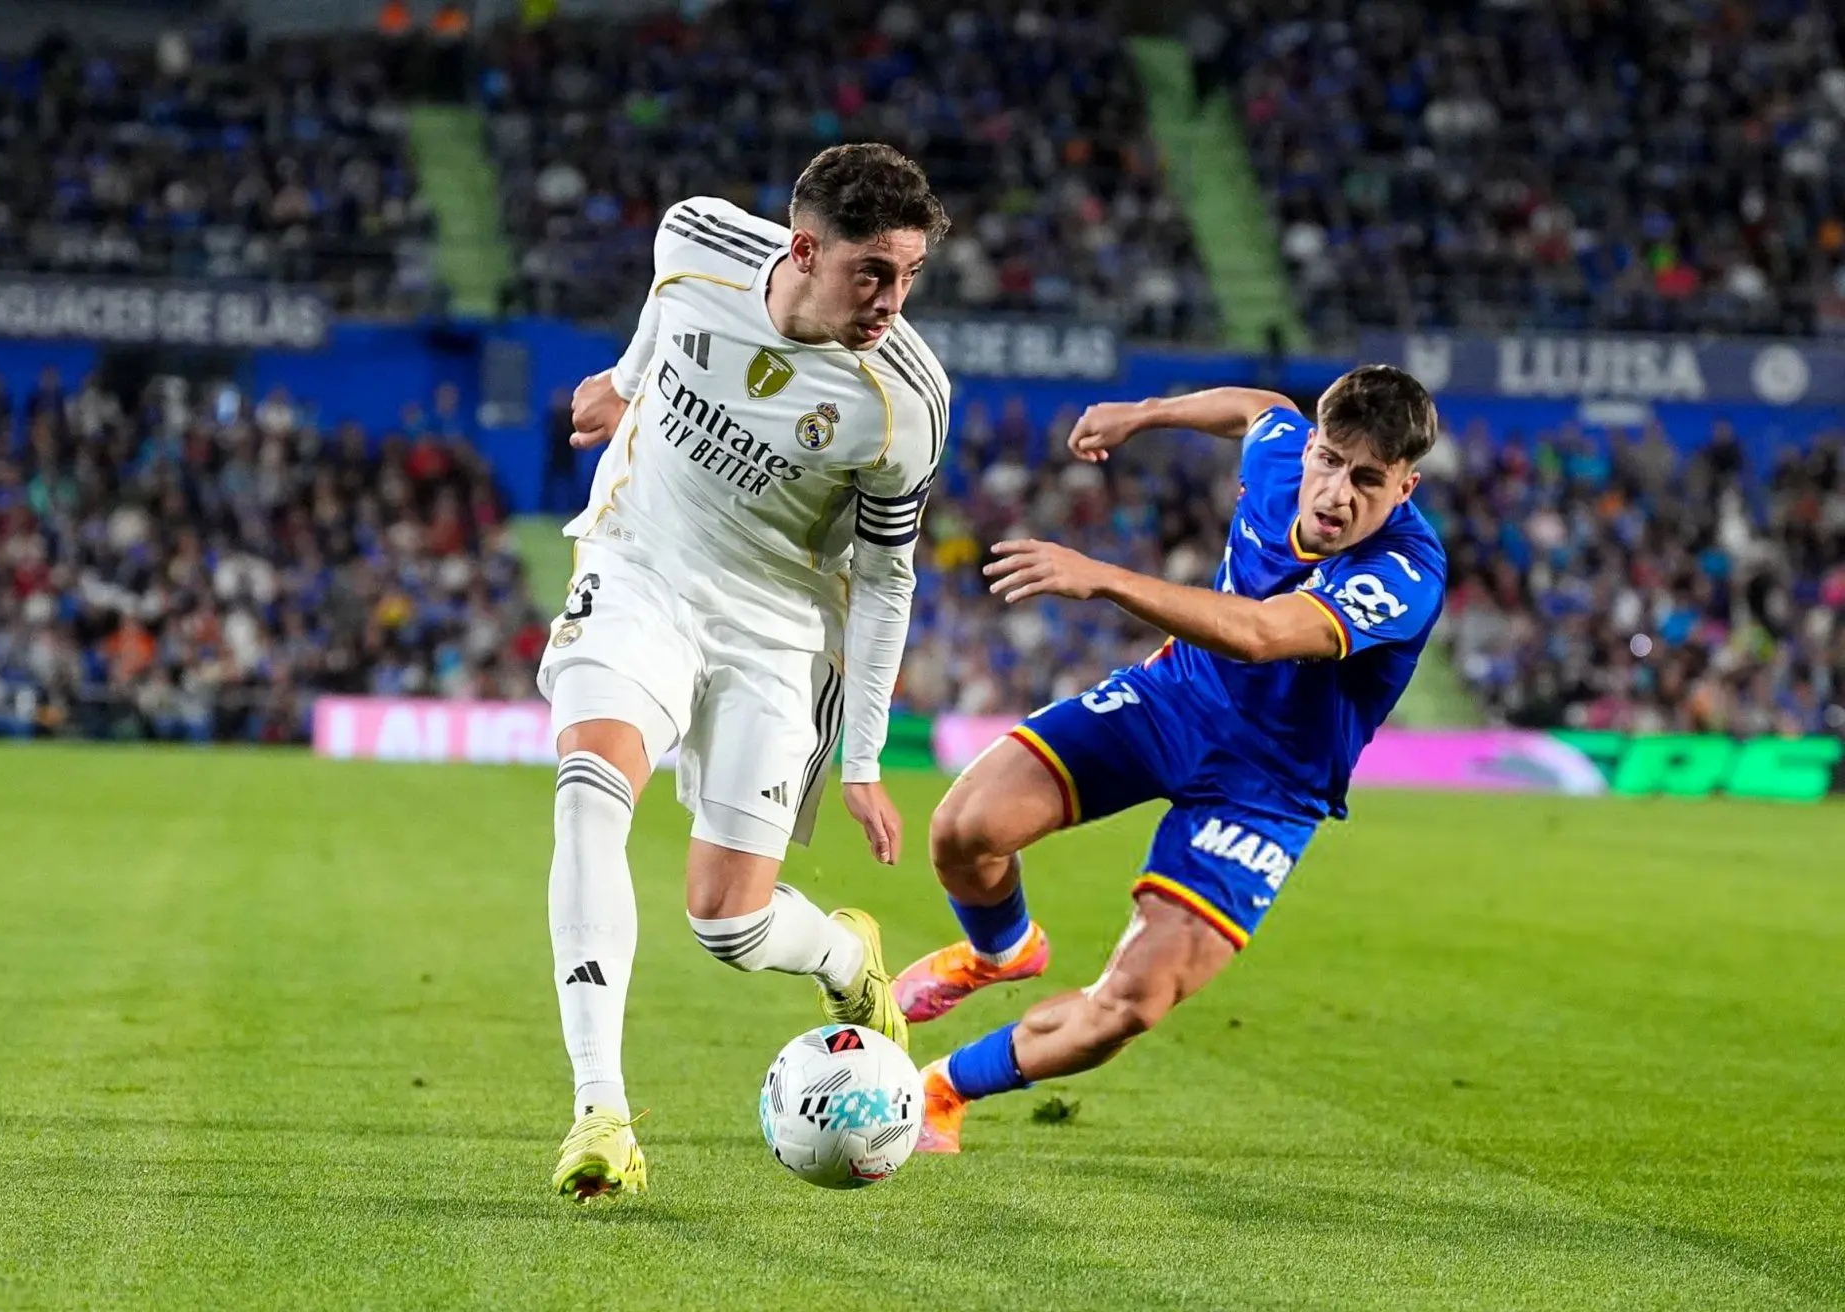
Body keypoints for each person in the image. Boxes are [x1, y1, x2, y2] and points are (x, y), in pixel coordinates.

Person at [540, 144, 952, 1199]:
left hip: (778, 631)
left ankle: (841, 957)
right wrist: (623, 386)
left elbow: (886, 579)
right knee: (587, 793)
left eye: (909, 275)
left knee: (727, 921)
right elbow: (662, 316)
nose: (892, 301)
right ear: (804, 250)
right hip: (638, 566)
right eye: (872, 272)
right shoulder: (695, 236)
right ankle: (600, 1111)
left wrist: (862, 757)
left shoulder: (905, 403)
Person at [894, 368, 1444, 1151]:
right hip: (1176, 699)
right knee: (963, 828)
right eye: (1328, 460)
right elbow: (1260, 407)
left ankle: (942, 1086)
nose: (1334, 493)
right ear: (1310, 447)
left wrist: (1103, 578)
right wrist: (1142, 412)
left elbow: (1260, 633)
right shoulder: (1282, 452)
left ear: (1404, 486)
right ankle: (1001, 950)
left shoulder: (1406, 572)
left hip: (1267, 788)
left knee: (1131, 1003)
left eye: (1366, 480)